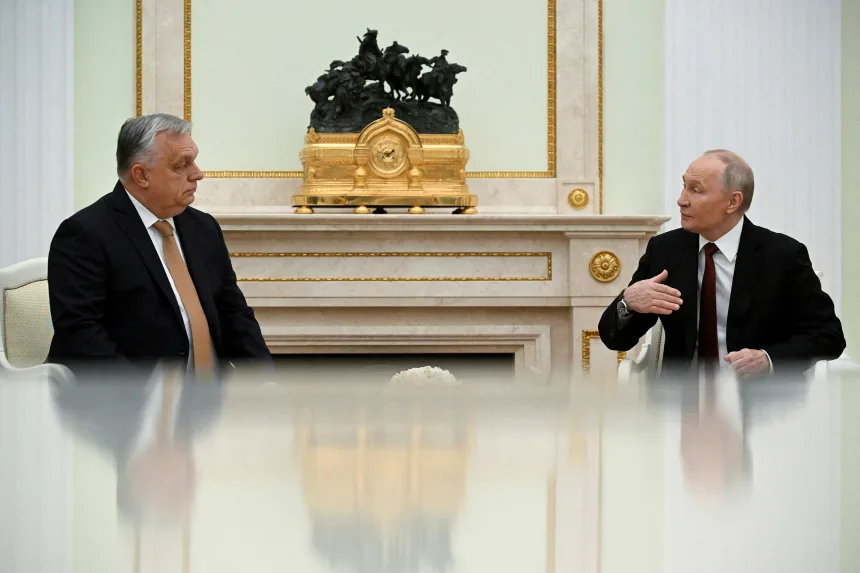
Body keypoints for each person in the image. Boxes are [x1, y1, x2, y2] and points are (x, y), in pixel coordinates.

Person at [47, 113, 271, 375]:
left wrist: (264, 381)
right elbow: (81, 335)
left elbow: (234, 313)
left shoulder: (204, 228)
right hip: (125, 394)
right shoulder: (85, 234)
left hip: (209, 394)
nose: (197, 174)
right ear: (141, 175)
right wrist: (150, 396)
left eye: (194, 160)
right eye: (182, 165)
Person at [598, 149, 845, 377]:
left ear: (733, 202)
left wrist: (767, 359)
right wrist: (627, 302)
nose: (681, 200)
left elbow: (829, 335)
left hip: (758, 400)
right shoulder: (665, 250)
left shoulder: (783, 255)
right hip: (680, 399)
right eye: (684, 186)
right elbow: (616, 340)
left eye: (696, 190)